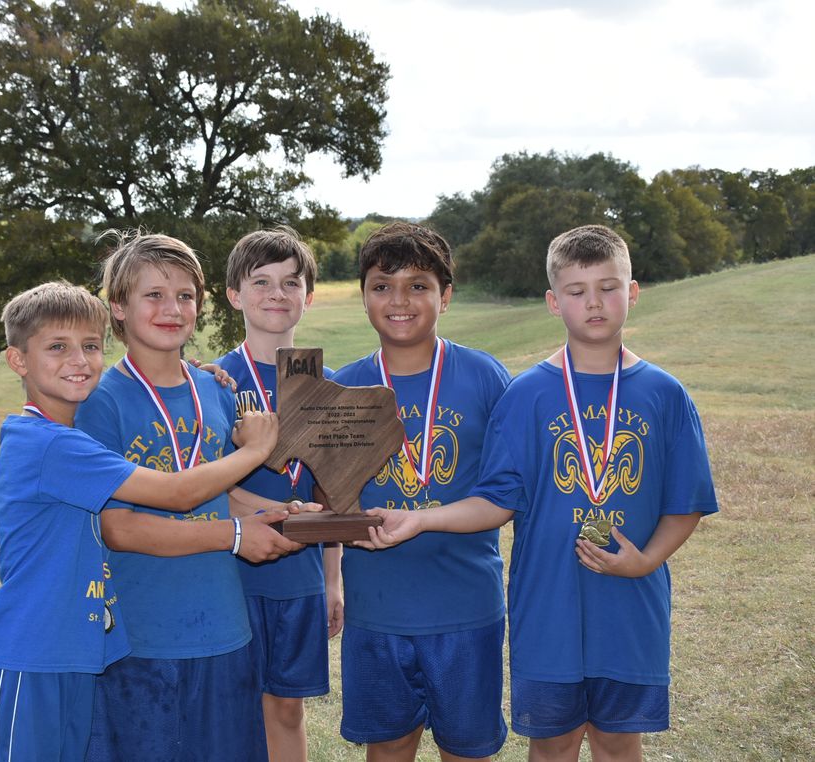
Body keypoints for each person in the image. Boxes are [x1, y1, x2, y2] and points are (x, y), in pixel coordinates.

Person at [357, 224, 719, 762]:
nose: (593, 303)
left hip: (630, 608)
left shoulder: (665, 393)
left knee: (620, 740)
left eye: (608, 287)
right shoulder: (526, 393)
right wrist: (419, 519)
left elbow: (686, 500)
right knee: (551, 743)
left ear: (634, 291)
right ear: (554, 301)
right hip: (544, 608)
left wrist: (647, 562)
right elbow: (502, 498)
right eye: (577, 291)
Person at [0, 280, 297, 762]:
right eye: (57, 347)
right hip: (27, 656)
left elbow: (180, 474)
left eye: (91, 346)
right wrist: (259, 448)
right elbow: (177, 492)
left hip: (77, 653)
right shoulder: (52, 444)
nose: (78, 360)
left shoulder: (72, 437)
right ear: (18, 360)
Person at [76, 233, 308, 761]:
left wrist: (280, 516)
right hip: (142, 634)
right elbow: (120, 527)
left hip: (225, 628)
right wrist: (236, 535)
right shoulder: (100, 402)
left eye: (185, 295)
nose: (172, 308)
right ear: (118, 306)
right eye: (153, 295)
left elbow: (218, 495)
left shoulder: (215, 390)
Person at [331, 221, 511, 761]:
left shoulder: (484, 377)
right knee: (387, 749)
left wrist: (423, 519)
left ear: (446, 295)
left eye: (418, 285)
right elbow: (332, 499)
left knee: (467, 750)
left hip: (465, 609)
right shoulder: (341, 388)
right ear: (363, 298)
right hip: (376, 612)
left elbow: (503, 497)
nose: (399, 300)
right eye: (382, 286)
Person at [212, 227, 343, 761]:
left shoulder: (324, 382)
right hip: (231, 570)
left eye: (291, 282)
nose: (276, 293)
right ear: (234, 295)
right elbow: (203, 485)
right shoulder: (212, 381)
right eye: (261, 281)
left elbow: (333, 489)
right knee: (232, 707)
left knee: (287, 708)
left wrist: (333, 581)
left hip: (299, 574)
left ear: (308, 296)